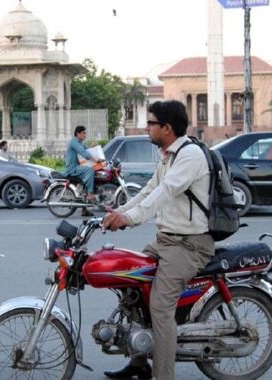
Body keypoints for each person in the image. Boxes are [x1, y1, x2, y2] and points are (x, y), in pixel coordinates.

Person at [103, 100, 215, 380]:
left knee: (160, 307)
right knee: (131, 289)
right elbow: (147, 191)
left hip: (189, 245)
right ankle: (140, 363)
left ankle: (164, 376)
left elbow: (164, 192)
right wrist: (120, 212)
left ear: (167, 128)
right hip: (166, 241)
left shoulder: (190, 156)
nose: (146, 127)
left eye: (151, 123)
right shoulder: (169, 156)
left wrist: (131, 219)